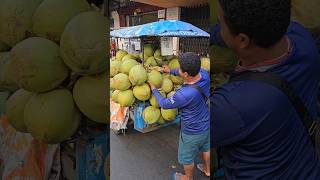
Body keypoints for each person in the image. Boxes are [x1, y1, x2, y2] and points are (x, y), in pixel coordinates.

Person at [211, 0, 320, 179]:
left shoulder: (231, 105)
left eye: (220, 22)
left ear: (242, 40)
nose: (218, 27)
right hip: (307, 169)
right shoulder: (302, 39)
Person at [148, 52, 210, 180]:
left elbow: (164, 104)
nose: (179, 70)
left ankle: (188, 178)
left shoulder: (184, 94)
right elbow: (183, 72)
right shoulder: (204, 74)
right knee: (206, 148)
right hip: (206, 123)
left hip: (191, 132)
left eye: (180, 69)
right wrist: (171, 70)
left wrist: (154, 89)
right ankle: (208, 170)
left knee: (186, 158)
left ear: (186, 74)